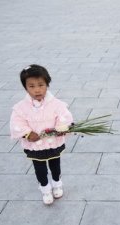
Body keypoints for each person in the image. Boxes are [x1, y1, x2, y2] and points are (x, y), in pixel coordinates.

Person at [10, 64, 73, 205]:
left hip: (53, 143)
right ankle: (45, 189)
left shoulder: (57, 104)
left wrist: (61, 128)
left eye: (41, 85)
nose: (37, 90)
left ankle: (57, 183)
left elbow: (65, 117)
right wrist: (27, 133)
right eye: (31, 86)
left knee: (55, 164)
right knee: (39, 168)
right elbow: (17, 122)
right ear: (25, 87)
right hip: (35, 146)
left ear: (47, 85)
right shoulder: (21, 107)